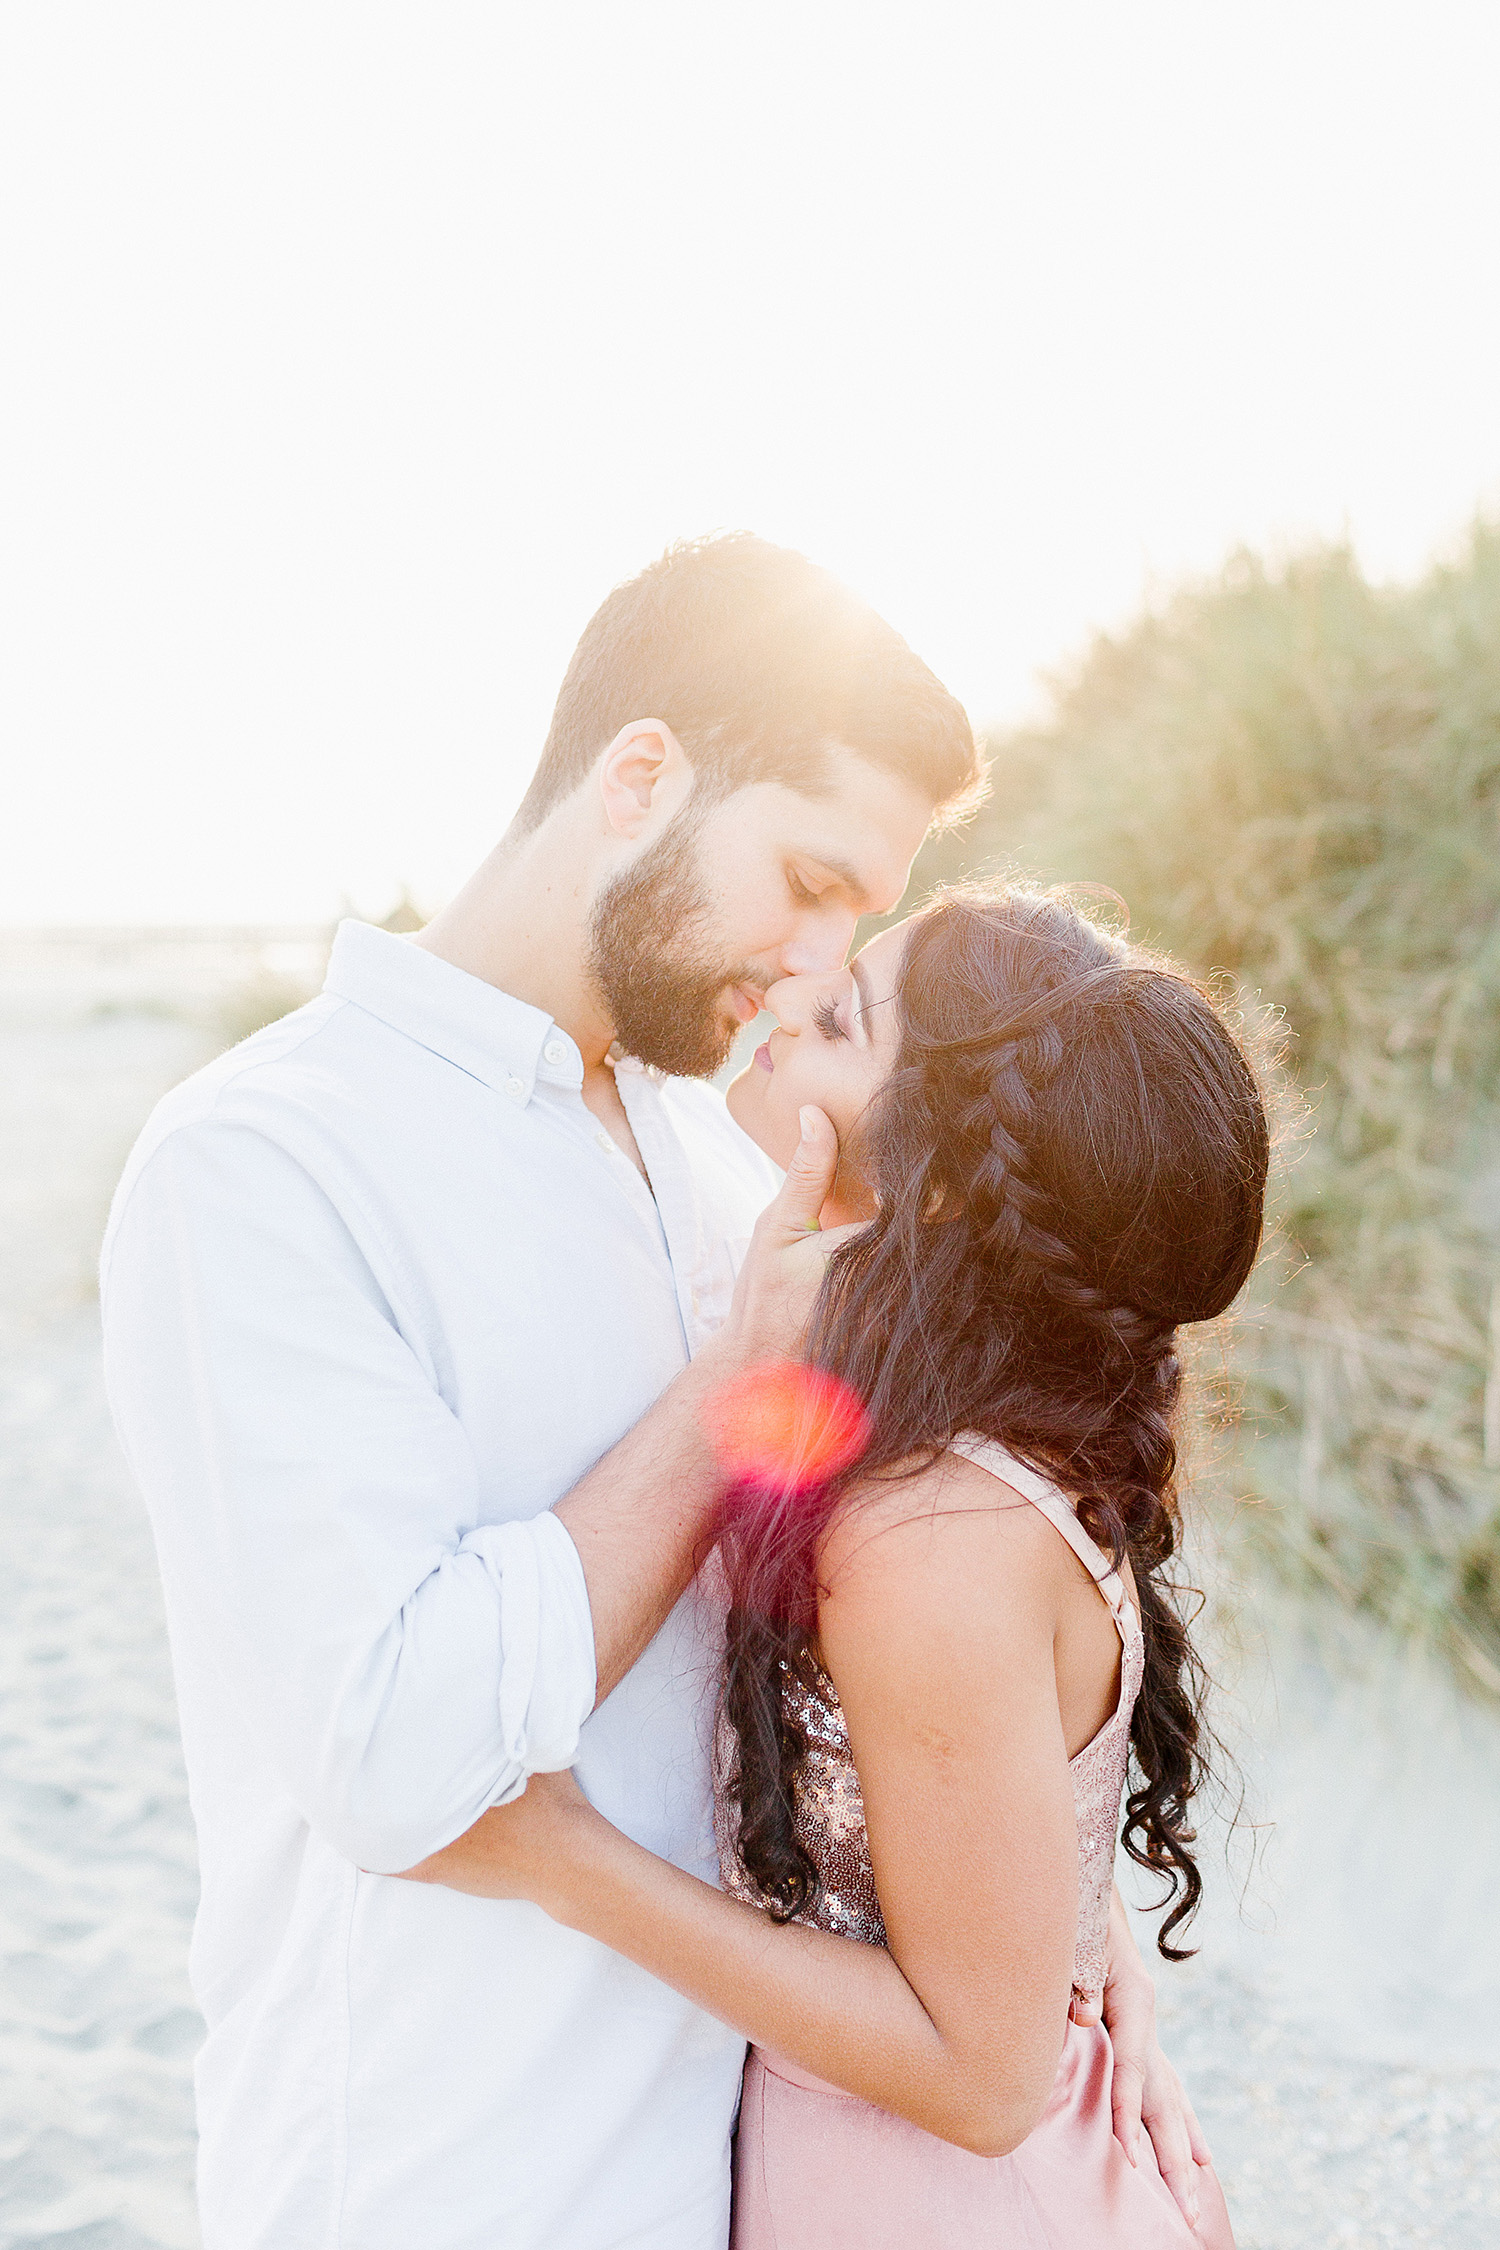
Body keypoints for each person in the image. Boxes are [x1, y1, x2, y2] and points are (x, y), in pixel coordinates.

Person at [102, 536, 1212, 2250]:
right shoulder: (265, 1163)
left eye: (866, 909)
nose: (821, 955)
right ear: (641, 778)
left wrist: (1064, 1934)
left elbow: (938, 1626)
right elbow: (400, 1759)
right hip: (433, 2186)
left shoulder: (724, 1150)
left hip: (733, 2179)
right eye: (811, 876)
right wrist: (723, 1393)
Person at [400, 884, 1266, 2246]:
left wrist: (561, 1856)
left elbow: (982, 2080)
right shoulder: (965, 1446)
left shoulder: (930, 1537)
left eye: (845, 1015)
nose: (792, 998)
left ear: (927, 1175)